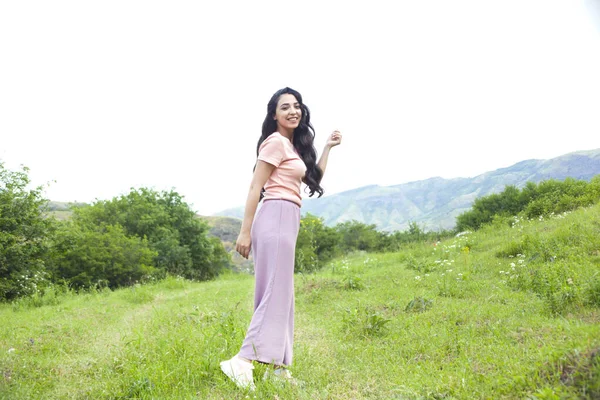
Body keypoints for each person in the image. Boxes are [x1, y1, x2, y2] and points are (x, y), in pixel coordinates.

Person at [220, 87, 342, 390]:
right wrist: (244, 231)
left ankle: (278, 368)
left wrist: (326, 147)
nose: (293, 111)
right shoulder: (274, 143)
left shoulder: (291, 147)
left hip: (288, 217)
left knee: (282, 293)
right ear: (273, 114)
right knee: (275, 290)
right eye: (285, 106)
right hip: (273, 214)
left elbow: (311, 178)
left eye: (297, 106)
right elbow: (254, 187)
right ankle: (241, 361)